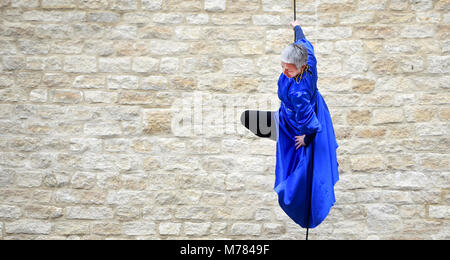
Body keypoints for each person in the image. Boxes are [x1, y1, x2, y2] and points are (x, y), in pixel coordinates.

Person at [241, 20, 339, 229]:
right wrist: (297, 27)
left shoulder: (299, 92)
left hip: (299, 120)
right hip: (298, 108)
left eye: (290, 70)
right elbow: (303, 41)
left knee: (295, 157)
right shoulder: (308, 55)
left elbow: (312, 125)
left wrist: (306, 138)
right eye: (283, 67)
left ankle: (280, 128)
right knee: (271, 116)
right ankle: (277, 123)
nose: (285, 72)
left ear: (302, 67)